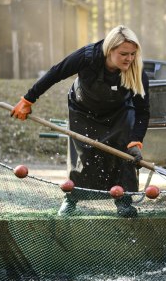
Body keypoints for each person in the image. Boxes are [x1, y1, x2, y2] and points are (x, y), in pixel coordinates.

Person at [10, 25, 150, 218]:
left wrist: (136, 140)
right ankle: (72, 198)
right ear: (110, 50)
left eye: (133, 53)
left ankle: (124, 200)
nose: (130, 58)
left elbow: (143, 111)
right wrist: (28, 99)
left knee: (123, 151)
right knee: (85, 154)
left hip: (119, 112)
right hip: (83, 110)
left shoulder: (137, 69)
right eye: (124, 53)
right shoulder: (87, 57)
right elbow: (55, 73)